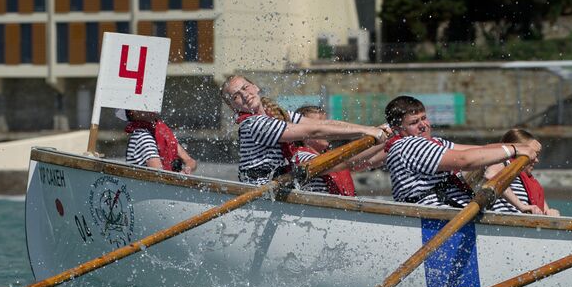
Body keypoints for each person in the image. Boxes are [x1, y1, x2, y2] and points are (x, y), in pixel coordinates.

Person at [220, 75, 389, 185]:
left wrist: (368, 129)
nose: (244, 95)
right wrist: (367, 132)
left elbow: (323, 125)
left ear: (255, 86)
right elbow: (314, 132)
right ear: (232, 106)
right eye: (235, 96)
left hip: (278, 188)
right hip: (260, 195)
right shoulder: (254, 124)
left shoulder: (279, 114)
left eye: (246, 87)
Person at [384, 95, 540, 208]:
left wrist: (519, 147)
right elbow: (465, 160)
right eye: (414, 122)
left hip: (454, 216)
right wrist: (514, 149)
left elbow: (480, 151)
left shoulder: (437, 143)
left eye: (424, 118)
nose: (423, 125)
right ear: (398, 129)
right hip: (432, 222)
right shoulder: (408, 146)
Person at [291, 105, 387, 196]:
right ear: (303, 134)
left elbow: (371, 160)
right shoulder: (302, 157)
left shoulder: (328, 155)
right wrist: (378, 137)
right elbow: (348, 161)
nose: (327, 130)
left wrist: (391, 139)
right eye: (319, 126)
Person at [484, 129, 560, 216]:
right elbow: (491, 175)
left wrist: (550, 212)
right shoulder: (504, 163)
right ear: (517, 152)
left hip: (523, 224)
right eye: (532, 154)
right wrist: (521, 206)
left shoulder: (530, 181)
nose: (537, 160)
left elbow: (543, 211)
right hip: (504, 221)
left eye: (537, 155)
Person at [124, 109, 197, 174]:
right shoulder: (142, 136)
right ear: (132, 112)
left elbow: (190, 160)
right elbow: (159, 174)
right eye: (144, 106)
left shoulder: (162, 133)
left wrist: (188, 168)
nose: (151, 107)